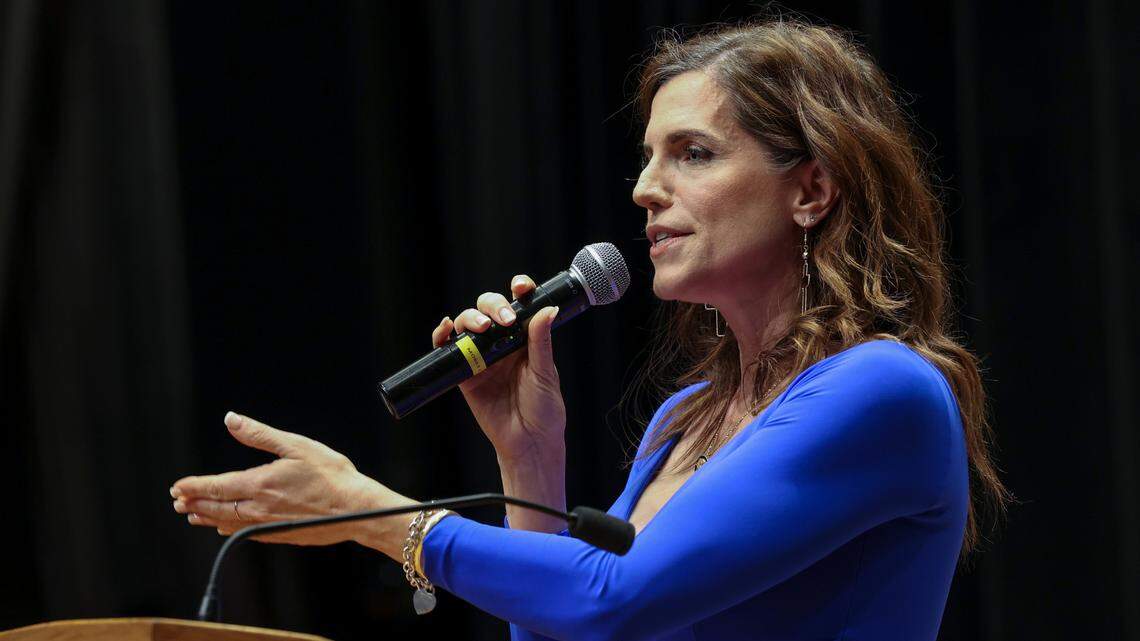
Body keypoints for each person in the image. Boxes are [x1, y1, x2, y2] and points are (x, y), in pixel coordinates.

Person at [170, 18, 1010, 641]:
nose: (646, 188)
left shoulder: (884, 389)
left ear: (811, 190)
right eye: (646, 157)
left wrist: (373, 514)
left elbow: (616, 596)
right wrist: (525, 457)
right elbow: (572, 629)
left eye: (693, 153)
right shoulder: (685, 416)